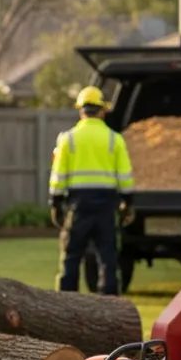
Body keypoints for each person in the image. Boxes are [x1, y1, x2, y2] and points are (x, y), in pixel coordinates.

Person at [48, 86, 136, 294]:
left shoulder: (68, 139)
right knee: (107, 257)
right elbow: (125, 176)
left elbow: (58, 176)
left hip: (78, 205)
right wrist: (128, 203)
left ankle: (66, 301)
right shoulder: (115, 139)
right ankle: (109, 301)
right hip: (106, 206)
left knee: (71, 257)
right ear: (102, 111)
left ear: (81, 111)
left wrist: (55, 203)